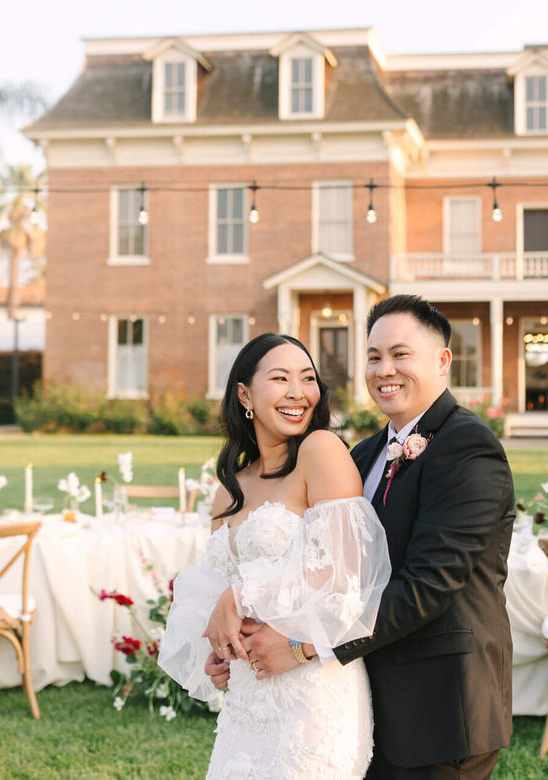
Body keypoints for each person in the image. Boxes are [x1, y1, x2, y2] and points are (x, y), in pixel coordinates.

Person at [209, 295, 516, 779]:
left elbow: (427, 586)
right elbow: (327, 566)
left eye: (400, 354)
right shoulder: (366, 453)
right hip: (367, 697)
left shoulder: (468, 447)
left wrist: (301, 646)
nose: (383, 369)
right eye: (374, 357)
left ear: (442, 361)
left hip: (439, 703)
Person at [158, 332, 391, 780]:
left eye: (307, 379)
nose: (297, 393)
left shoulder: (321, 452)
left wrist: (242, 596)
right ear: (244, 393)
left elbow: (344, 575)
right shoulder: (230, 485)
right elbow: (209, 584)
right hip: (247, 701)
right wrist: (217, 645)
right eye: (280, 378)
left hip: (312, 697)